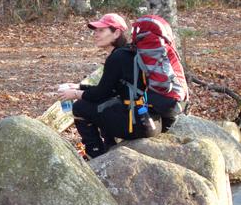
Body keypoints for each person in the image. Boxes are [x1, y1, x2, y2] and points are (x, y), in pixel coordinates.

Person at [58, 13, 188, 159]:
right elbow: (111, 89)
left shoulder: (117, 57)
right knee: (105, 105)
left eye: (101, 30)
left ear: (117, 33)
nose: (96, 34)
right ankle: (110, 149)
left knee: (80, 107)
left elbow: (101, 93)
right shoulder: (130, 53)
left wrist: (75, 94)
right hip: (151, 120)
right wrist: (79, 87)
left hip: (138, 125)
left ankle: (94, 154)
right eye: (95, 30)